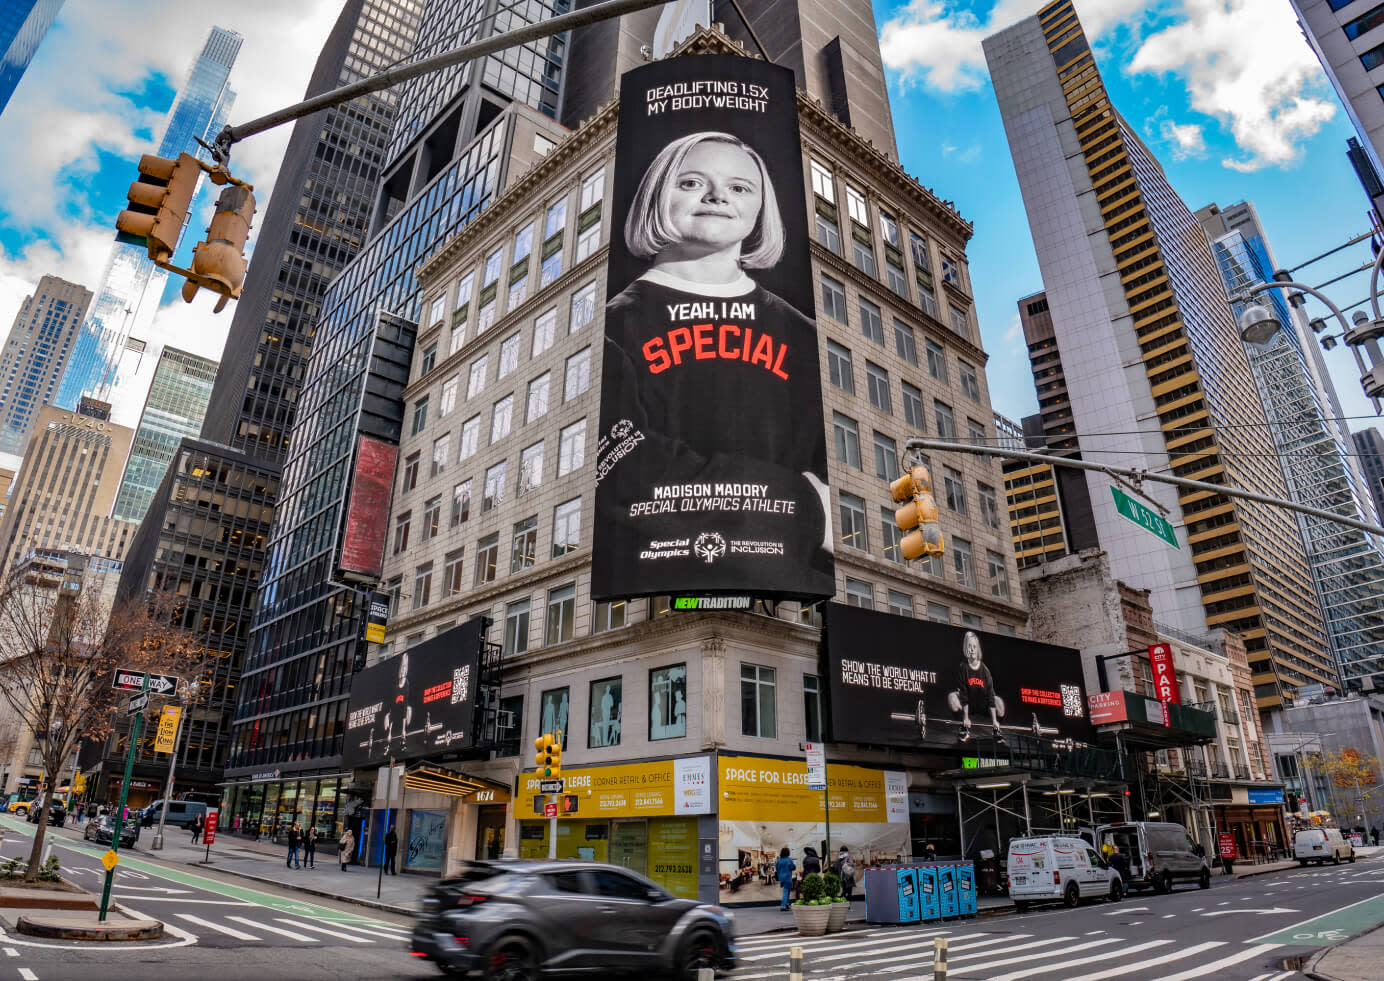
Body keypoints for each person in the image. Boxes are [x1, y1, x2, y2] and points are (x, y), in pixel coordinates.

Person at [595, 130, 833, 598]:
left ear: (761, 209)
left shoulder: (805, 336)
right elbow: (627, 469)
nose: (718, 196)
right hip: (655, 582)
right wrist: (811, 506)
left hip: (794, 586)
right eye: (691, 183)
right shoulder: (613, 326)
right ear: (656, 196)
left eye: (740, 187)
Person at [947, 631, 1006, 744]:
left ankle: (996, 730)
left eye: (974, 646)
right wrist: (966, 718)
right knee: (951, 697)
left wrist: (994, 721)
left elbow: (990, 696)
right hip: (969, 703)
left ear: (978, 649)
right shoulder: (963, 668)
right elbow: (963, 694)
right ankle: (964, 728)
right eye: (969, 646)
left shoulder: (985, 670)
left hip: (983, 705)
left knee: (999, 703)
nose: (972, 649)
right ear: (966, 649)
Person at [775, 846, 796, 910]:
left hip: (781, 877)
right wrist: (794, 866)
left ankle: (787, 904)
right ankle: (783, 906)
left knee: (788, 890)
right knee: (786, 891)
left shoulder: (778, 860)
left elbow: (777, 869)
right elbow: (793, 867)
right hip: (787, 877)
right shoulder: (789, 859)